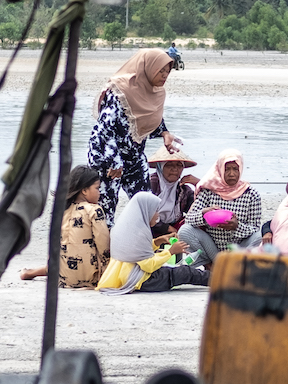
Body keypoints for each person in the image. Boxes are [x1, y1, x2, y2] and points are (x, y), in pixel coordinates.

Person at [87, 49, 181, 226]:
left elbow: (146, 122)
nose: (165, 75)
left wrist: (165, 133)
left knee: (146, 206)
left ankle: (141, 249)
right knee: (106, 213)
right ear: (148, 67)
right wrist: (114, 162)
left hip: (134, 156)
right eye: (161, 70)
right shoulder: (119, 90)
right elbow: (103, 131)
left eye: (167, 71)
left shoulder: (156, 93)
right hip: (107, 158)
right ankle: (105, 251)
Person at [98, 194, 211, 295]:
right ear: (146, 210)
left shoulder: (127, 228)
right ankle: (221, 280)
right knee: (186, 272)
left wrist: (157, 241)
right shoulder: (141, 232)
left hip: (123, 276)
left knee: (177, 270)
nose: (158, 215)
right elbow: (149, 265)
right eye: (155, 210)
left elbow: (135, 252)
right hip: (143, 281)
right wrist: (170, 252)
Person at [20, 166, 110, 288]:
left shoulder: (61, 210)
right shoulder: (94, 210)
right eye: (97, 188)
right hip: (89, 278)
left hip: (60, 277)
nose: (100, 192)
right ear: (84, 191)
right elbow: (104, 246)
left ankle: (34, 272)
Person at [178, 149, 263, 267]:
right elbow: (189, 219)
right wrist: (204, 214)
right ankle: (211, 265)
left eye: (235, 169)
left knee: (260, 236)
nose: (232, 173)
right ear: (220, 169)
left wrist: (236, 227)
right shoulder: (209, 191)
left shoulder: (251, 194)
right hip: (212, 248)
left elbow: (254, 228)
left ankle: (234, 266)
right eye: (227, 169)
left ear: (241, 169)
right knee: (185, 230)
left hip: (238, 248)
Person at [146, 146, 199, 237]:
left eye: (179, 165)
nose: (175, 169)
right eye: (169, 165)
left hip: (173, 230)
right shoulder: (150, 184)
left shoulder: (182, 189)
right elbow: (145, 212)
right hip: (149, 230)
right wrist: (169, 229)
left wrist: (199, 184)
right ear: (160, 166)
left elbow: (197, 210)